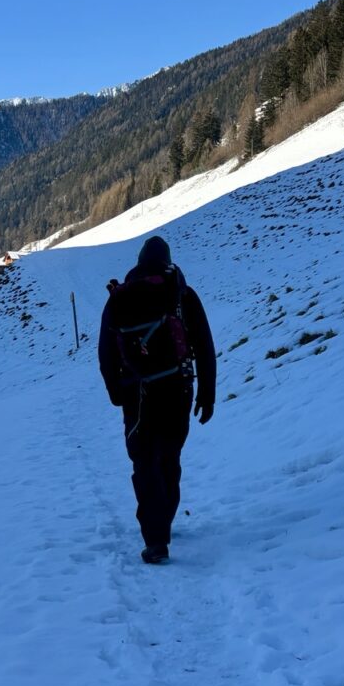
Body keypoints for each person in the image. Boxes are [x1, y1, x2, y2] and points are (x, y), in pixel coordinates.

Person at [98, 236, 215, 564]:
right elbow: (204, 346)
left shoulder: (120, 297)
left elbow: (106, 352)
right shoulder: (182, 294)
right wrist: (208, 393)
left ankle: (155, 537)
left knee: (144, 462)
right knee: (170, 458)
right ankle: (163, 521)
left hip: (138, 392)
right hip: (178, 387)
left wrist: (114, 391)